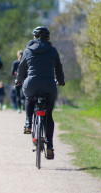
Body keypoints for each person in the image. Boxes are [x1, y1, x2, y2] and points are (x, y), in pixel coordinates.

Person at [15, 26, 65, 159]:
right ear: (48, 38)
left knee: (29, 97)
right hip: (49, 85)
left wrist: (18, 81)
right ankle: (50, 146)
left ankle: (28, 123)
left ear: (34, 37)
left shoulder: (27, 50)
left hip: (31, 84)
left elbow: (21, 69)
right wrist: (61, 80)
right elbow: (58, 68)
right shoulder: (53, 50)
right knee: (48, 115)